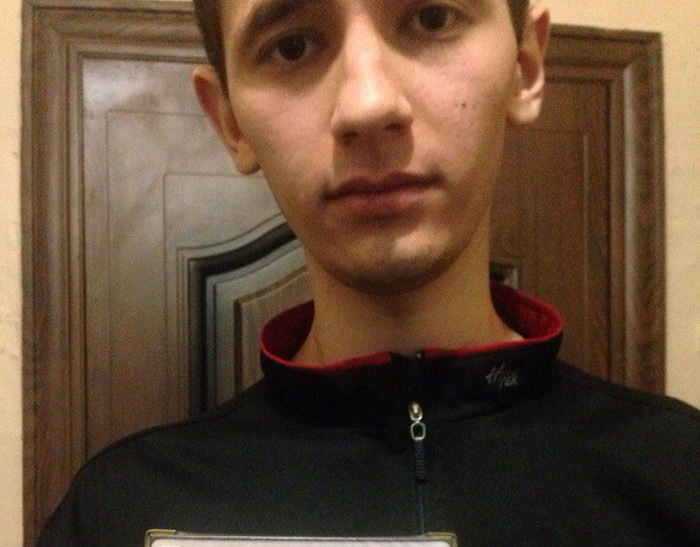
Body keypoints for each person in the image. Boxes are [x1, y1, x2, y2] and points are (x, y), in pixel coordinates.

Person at [39, 0, 700, 545]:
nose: (368, 105)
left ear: (525, 68)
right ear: (230, 120)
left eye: (431, 17)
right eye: (293, 46)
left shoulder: (681, 475)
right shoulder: (115, 513)